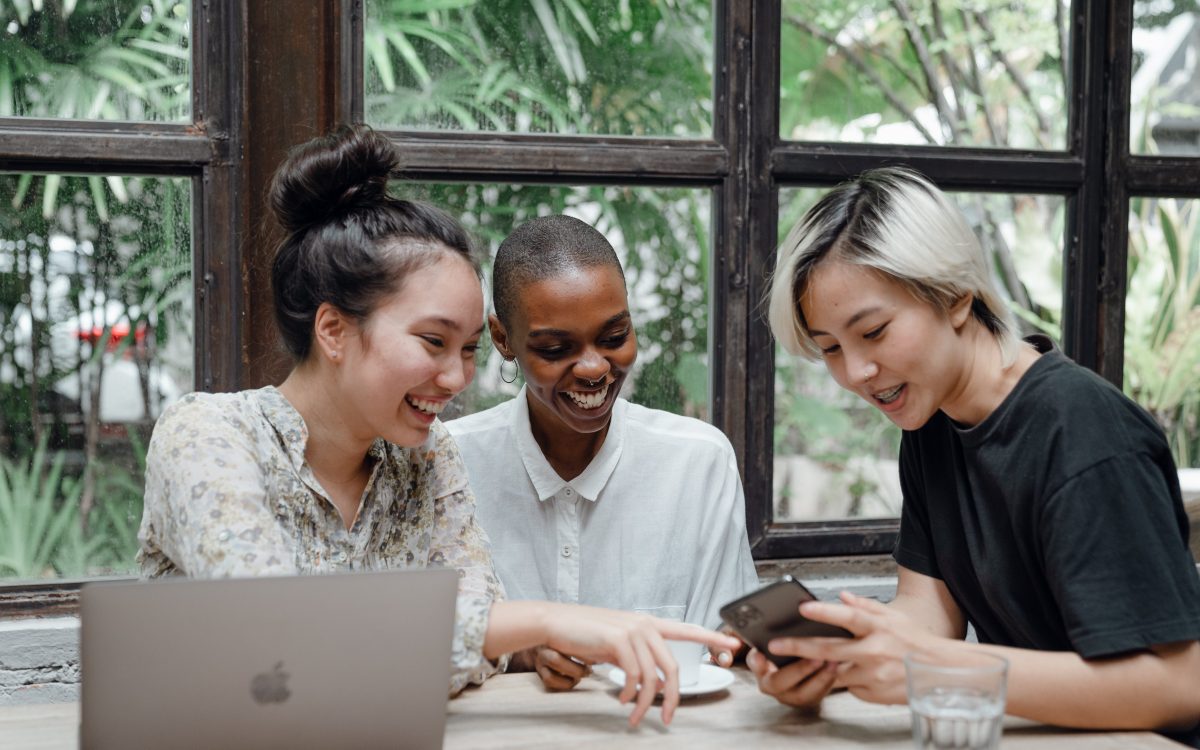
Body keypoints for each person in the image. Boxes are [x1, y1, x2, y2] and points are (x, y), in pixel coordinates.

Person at [137, 125, 738, 728]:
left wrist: (477, 640)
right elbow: (275, 637)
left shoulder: (427, 457)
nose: (456, 379)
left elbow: (477, 653)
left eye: (470, 349)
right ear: (333, 330)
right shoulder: (208, 434)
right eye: (433, 341)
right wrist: (546, 621)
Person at [758, 167, 1200, 745]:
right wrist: (838, 660)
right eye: (831, 348)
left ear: (956, 295)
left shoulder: (1086, 433)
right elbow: (930, 610)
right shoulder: (929, 418)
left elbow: (1181, 685)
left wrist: (933, 669)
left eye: (874, 332)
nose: (856, 373)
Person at [446, 214, 760, 692]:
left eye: (614, 338)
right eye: (555, 348)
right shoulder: (450, 465)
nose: (594, 368)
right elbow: (416, 642)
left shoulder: (698, 463)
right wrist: (524, 649)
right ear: (503, 339)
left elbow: (726, 648)